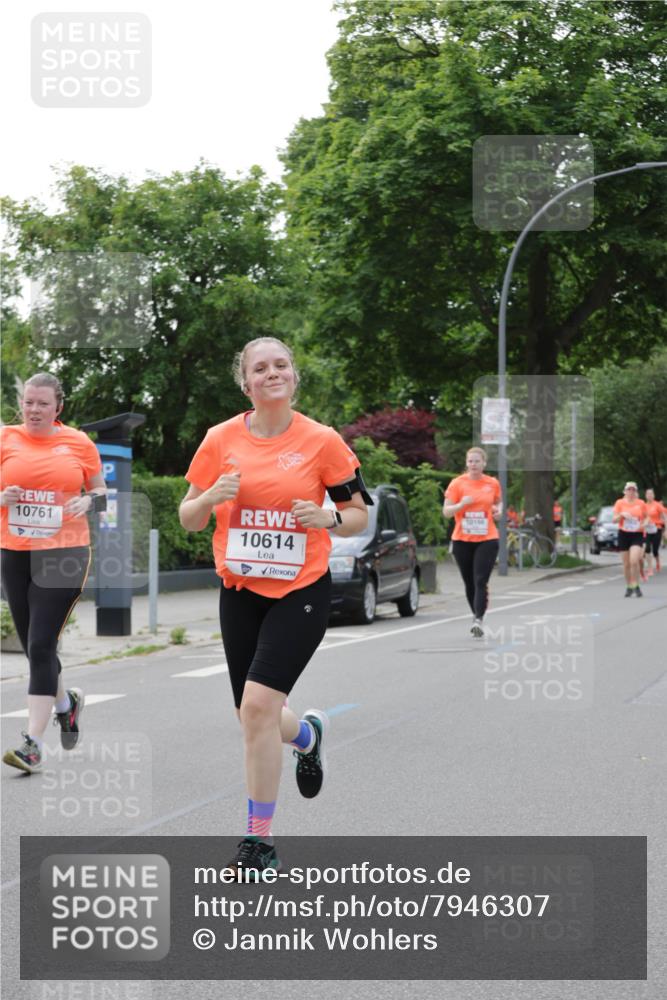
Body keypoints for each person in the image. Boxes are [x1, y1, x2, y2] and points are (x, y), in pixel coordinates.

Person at [179, 337, 370, 878]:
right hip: (239, 591)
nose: (271, 373)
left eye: (280, 364)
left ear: (294, 375)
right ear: (246, 382)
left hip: (299, 591)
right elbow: (188, 517)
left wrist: (329, 519)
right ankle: (308, 736)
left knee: (258, 709)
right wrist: (212, 497)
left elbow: (357, 513)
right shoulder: (220, 439)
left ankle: (258, 843)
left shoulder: (322, 441)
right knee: (251, 712)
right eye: (259, 368)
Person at [1, 373, 106, 774]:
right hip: (15, 552)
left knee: (42, 645)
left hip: (64, 554)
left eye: (43, 403)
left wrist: (88, 504)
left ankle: (32, 745)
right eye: (28, 402)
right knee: (34, 648)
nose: (34, 410)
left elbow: (100, 495)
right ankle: (66, 704)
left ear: (58, 408)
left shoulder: (78, 442)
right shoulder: (5, 438)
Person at [442, 446, 502, 639]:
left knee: (480, 580)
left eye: (477, 461)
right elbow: (446, 512)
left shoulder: (492, 483)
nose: (473, 464)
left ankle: (478, 620)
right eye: (470, 461)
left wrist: (498, 510)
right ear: (466, 463)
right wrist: (461, 504)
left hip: (487, 538)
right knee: (469, 582)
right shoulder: (457, 484)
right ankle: (476, 615)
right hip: (462, 539)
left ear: (484, 463)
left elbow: (498, 502)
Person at [612, 482, 647, 597]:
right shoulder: (619, 503)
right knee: (626, 564)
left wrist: (643, 525)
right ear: (625, 491)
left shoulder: (641, 503)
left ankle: (636, 585)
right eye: (629, 490)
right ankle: (629, 586)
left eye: (633, 490)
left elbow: (647, 518)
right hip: (623, 534)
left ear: (635, 492)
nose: (631, 492)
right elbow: (614, 520)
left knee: (634, 561)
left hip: (637, 534)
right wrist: (622, 515)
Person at [643, 488, 667, 575]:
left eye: (651, 494)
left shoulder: (657, 505)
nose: (649, 495)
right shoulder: (644, 506)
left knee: (655, 550)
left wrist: (666, 530)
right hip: (647, 529)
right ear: (645, 496)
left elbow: (665, 517)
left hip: (657, 529)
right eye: (648, 494)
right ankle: (650, 567)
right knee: (647, 548)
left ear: (653, 495)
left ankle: (657, 561)